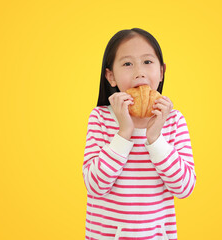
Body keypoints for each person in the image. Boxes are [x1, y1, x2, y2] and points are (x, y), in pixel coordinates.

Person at [82, 28, 196, 240]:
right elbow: (95, 186)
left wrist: (155, 138)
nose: (139, 72)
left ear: (161, 72)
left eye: (147, 62)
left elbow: (184, 188)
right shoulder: (100, 118)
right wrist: (124, 132)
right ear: (110, 76)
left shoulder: (172, 120)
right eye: (127, 64)